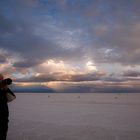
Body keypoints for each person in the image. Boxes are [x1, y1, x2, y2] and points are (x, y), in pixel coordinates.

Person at [0, 74, 13, 140]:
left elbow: (12, 98)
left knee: (3, 132)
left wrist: (6, 89)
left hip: (4, 115)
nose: (1, 81)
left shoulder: (4, 89)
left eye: (1, 79)